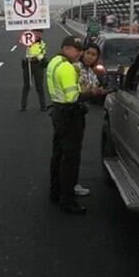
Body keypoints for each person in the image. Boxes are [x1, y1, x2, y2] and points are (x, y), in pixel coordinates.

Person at [46, 36, 97, 214]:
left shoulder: (54, 62)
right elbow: (73, 97)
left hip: (58, 112)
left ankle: (55, 193)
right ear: (66, 48)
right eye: (77, 49)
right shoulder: (67, 67)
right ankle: (68, 200)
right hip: (70, 115)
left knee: (58, 155)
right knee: (70, 159)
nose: (80, 53)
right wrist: (91, 92)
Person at [72, 42, 108, 197]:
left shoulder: (90, 71)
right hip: (70, 113)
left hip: (78, 112)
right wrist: (92, 91)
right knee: (70, 152)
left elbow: (93, 89)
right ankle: (69, 186)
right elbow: (83, 90)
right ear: (82, 53)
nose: (90, 57)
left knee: (73, 150)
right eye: (88, 53)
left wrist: (97, 91)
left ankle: (67, 184)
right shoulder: (76, 68)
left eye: (94, 55)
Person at [20, 30, 47, 111]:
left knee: (39, 86)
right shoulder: (27, 41)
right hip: (27, 65)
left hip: (38, 65)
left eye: (40, 33)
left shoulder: (42, 43)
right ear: (33, 33)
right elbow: (21, 52)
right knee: (26, 86)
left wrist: (36, 57)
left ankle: (43, 106)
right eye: (36, 33)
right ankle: (23, 106)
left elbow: (43, 53)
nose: (38, 35)